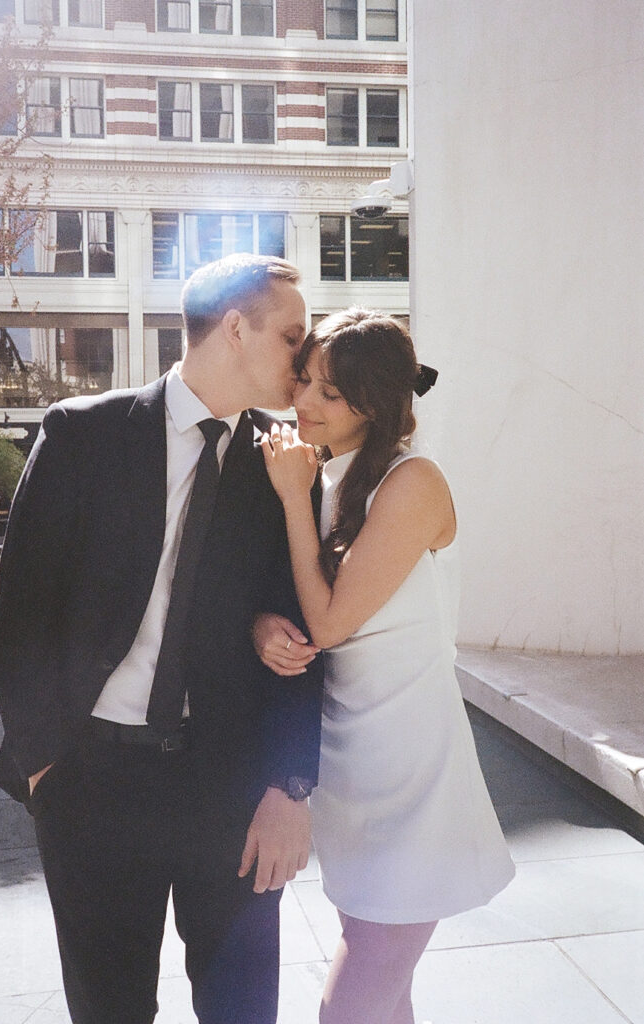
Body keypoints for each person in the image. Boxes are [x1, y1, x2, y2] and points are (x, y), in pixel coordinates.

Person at [0, 253, 323, 1024]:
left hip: (231, 787)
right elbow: (25, 615)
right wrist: (46, 767)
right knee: (109, 1011)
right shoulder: (85, 434)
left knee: (243, 1009)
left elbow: (305, 627)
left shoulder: (284, 463)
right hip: (91, 782)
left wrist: (290, 786)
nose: (303, 363)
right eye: (292, 339)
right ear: (234, 329)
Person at [255, 308, 515, 1024]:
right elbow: (286, 600)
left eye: (328, 394)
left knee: (352, 1003)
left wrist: (289, 500)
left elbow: (331, 623)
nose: (303, 401)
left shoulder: (412, 481)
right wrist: (258, 625)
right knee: (382, 983)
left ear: (372, 404)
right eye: (304, 380)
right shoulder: (330, 479)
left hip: (411, 770)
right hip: (347, 767)